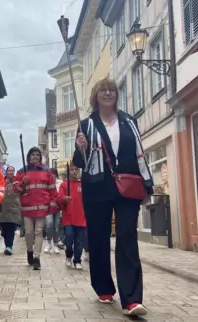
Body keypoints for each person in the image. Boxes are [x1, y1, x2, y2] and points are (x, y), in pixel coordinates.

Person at [73, 77, 153, 317]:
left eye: (111, 90)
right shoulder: (86, 124)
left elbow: (139, 153)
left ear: (116, 95)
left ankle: (132, 299)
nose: (108, 93)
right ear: (95, 97)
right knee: (98, 239)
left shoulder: (129, 121)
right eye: (103, 90)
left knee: (127, 237)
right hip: (97, 187)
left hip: (128, 185)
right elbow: (80, 163)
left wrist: (147, 185)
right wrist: (80, 148)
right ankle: (104, 287)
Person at [14, 147, 60, 270]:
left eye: (37, 155)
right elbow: (15, 190)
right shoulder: (21, 172)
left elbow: (52, 190)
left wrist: (53, 204)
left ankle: (36, 257)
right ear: (29, 157)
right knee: (28, 232)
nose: (35, 157)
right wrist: (22, 183)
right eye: (33, 155)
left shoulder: (47, 172)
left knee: (38, 232)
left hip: (42, 207)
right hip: (28, 207)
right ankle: (29, 251)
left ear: (40, 157)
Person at [59, 162, 85, 270]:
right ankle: (68, 256)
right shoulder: (64, 185)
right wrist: (64, 199)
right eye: (72, 170)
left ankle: (78, 260)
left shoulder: (83, 184)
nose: (74, 172)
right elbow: (59, 199)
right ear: (68, 172)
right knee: (69, 238)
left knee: (79, 241)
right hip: (68, 217)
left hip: (82, 217)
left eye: (76, 170)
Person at [0, 165, 22, 255]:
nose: (11, 172)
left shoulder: (17, 182)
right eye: (9, 170)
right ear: (6, 172)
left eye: (12, 170)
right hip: (2, 208)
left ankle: (9, 247)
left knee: (11, 227)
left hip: (14, 208)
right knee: (4, 228)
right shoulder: (1, 181)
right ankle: (7, 244)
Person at [44, 168, 63, 254]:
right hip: (48, 207)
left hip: (58, 207)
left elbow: (61, 195)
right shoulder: (45, 183)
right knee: (49, 224)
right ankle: (48, 243)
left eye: (54, 174)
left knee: (56, 226)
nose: (52, 176)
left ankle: (55, 244)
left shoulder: (61, 183)